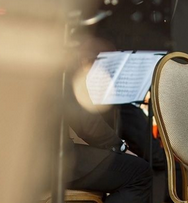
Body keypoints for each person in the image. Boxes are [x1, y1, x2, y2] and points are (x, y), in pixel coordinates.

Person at [63, 45, 153, 203]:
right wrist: (119, 146)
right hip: (49, 159)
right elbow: (84, 123)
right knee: (139, 172)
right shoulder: (52, 61)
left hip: (21, 157)